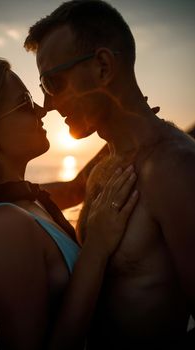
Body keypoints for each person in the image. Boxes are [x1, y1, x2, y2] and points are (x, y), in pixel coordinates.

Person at [24, 0, 195, 347]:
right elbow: (69, 191)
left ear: (103, 66)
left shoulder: (174, 167)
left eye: (53, 82)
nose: (48, 104)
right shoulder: (113, 156)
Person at [0, 57, 138, 349]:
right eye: (24, 103)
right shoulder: (4, 228)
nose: (42, 110)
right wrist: (97, 247)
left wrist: (124, 124)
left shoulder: (27, 200)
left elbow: (76, 188)